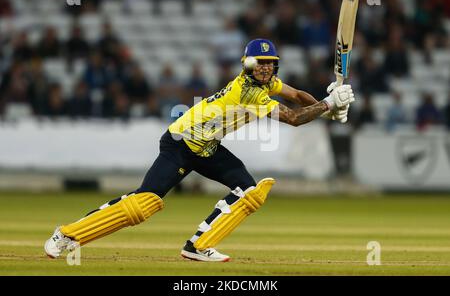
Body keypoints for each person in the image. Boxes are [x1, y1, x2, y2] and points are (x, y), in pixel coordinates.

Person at [44, 39, 355, 262]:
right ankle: (66, 235)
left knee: (249, 192)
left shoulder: (267, 82)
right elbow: (293, 119)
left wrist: (326, 106)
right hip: (180, 143)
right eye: (259, 64)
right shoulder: (247, 91)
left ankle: (197, 246)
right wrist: (329, 105)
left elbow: (297, 95)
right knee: (144, 203)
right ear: (247, 65)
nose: (264, 69)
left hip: (207, 146)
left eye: (269, 64)